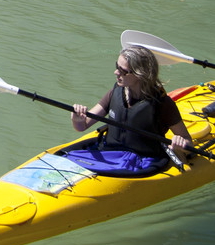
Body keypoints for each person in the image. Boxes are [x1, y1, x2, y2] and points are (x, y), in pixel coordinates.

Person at [64, 46, 192, 176]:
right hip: (109, 153)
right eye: (116, 66)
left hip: (143, 161)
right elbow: (82, 126)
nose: (116, 72)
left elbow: (187, 139)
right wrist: (77, 119)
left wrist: (180, 144)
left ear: (139, 74)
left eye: (122, 70)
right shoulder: (115, 92)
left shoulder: (162, 104)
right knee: (64, 155)